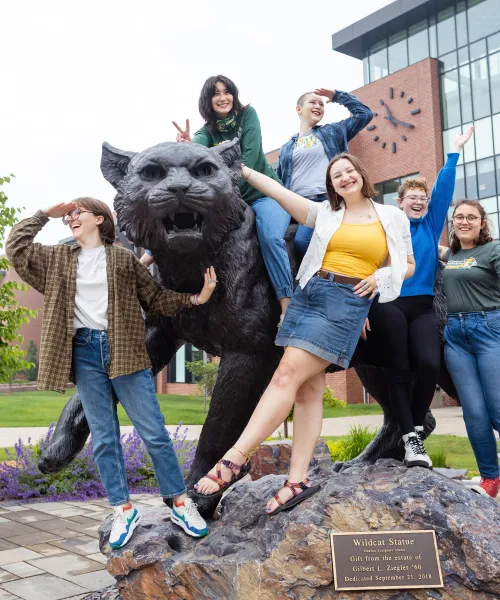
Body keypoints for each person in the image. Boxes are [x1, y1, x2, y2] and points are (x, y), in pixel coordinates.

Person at [193, 153, 415, 515]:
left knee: (285, 375)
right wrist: (242, 169)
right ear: (332, 185)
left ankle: (232, 459)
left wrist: (380, 278)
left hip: (346, 300)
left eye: (349, 171)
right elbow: (278, 192)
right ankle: (297, 480)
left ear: (361, 173)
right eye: (336, 175)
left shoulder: (392, 216)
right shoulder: (325, 213)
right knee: (309, 391)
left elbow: (407, 265)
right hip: (310, 295)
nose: (344, 178)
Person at [6, 198, 217, 547]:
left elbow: (155, 298)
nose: (72, 218)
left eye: (78, 213)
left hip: (125, 353)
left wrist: (196, 298)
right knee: (104, 438)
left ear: (99, 219)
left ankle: (180, 503)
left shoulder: (121, 258)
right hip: (85, 354)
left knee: (154, 433)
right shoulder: (58, 258)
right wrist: (45, 214)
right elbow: (16, 248)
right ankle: (123, 509)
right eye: (69, 215)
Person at [366, 128, 474, 469]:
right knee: (399, 370)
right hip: (391, 305)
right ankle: (412, 441)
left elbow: (443, 190)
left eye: (422, 198)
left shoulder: (428, 226)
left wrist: (454, 152)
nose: (418, 201)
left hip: (423, 306)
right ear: (399, 203)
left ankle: (410, 429)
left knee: (429, 364)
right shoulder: (385, 229)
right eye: (411, 197)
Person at [173, 75, 293, 324]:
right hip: (232, 201)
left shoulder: (247, 115)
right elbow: (198, 156)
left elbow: (247, 159)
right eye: (215, 94)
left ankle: (286, 306)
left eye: (226, 91)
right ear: (208, 101)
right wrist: (187, 149)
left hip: (263, 195)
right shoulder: (205, 131)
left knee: (270, 237)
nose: (222, 97)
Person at [442, 199, 500, 499]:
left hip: (489, 328)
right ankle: (491, 478)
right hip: (455, 337)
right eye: (459, 217)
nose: (464, 221)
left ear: (482, 223)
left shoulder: (493, 250)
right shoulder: (451, 255)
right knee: (475, 413)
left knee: (498, 406)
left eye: (471, 217)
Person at [277, 88, 373, 256]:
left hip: (324, 200)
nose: (318, 106)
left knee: (302, 243)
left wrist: (337, 96)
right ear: (298, 109)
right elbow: (279, 180)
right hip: (294, 204)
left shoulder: (332, 132)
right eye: (312, 102)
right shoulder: (286, 148)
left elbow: (364, 114)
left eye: (321, 104)